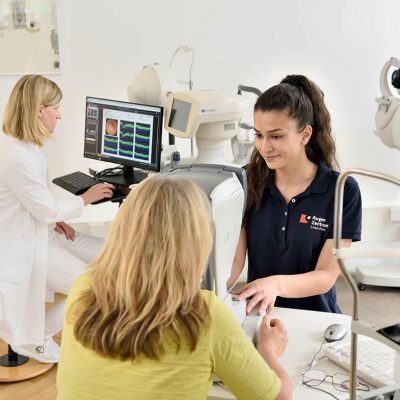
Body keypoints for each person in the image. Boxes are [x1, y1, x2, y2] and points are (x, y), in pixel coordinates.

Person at [56, 175, 292, 400]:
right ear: (198, 240)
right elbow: (280, 396)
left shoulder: (83, 288)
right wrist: (269, 349)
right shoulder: (205, 315)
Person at [0, 74, 115, 363]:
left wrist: (53, 219)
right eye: (55, 108)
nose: (59, 114)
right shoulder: (17, 156)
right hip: (25, 244)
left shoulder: (22, 145)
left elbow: (35, 203)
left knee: (114, 254)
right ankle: (38, 338)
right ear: (40, 110)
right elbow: (46, 208)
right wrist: (85, 199)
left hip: (42, 229)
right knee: (93, 286)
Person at [227, 74, 361, 315]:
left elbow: (326, 276)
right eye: (259, 135)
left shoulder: (342, 190)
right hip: (261, 315)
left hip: (317, 320)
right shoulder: (247, 180)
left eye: (276, 136)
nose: (264, 147)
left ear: (305, 134)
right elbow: (234, 262)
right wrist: (201, 291)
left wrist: (274, 284)